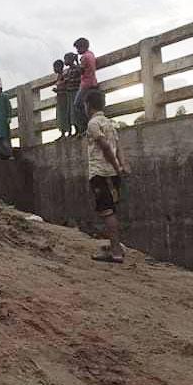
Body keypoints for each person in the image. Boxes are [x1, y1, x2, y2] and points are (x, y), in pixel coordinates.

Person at [85, 89, 128, 263]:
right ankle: (116, 245)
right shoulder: (110, 123)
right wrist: (122, 166)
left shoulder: (93, 124)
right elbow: (118, 146)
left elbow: (105, 146)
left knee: (106, 211)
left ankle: (116, 251)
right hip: (112, 175)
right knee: (112, 210)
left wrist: (117, 167)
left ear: (88, 105)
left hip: (100, 173)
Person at [74, 38, 97, 135]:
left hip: (85, 84)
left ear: (82, 47)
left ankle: (85, 127)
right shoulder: (91, 54)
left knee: (78, 104)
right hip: (93, 82)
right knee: (90, 106)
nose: (77, 51)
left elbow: (81, 71)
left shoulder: (84, 57)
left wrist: (76, 62)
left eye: (78, 48)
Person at [63, 52, 82, 136]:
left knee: (77, 112)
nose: (65, 61)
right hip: (70, 92)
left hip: (76, 91)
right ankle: (76, 130)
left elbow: (81, 71)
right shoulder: (67, 71)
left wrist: (77, 61)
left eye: (66, 59)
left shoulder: (76, 68)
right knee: (72, 113)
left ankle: (80, 129)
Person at [53, 59, 70, 139]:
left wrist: (58, 90)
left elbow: (66, 85)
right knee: (61, 116)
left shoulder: (64, 74)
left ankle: (68, 132)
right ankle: (63, 133)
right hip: (60, 98)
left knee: (66, 115)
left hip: (64, 98)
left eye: (55, 67)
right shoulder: (59, 76)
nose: (54, 69)